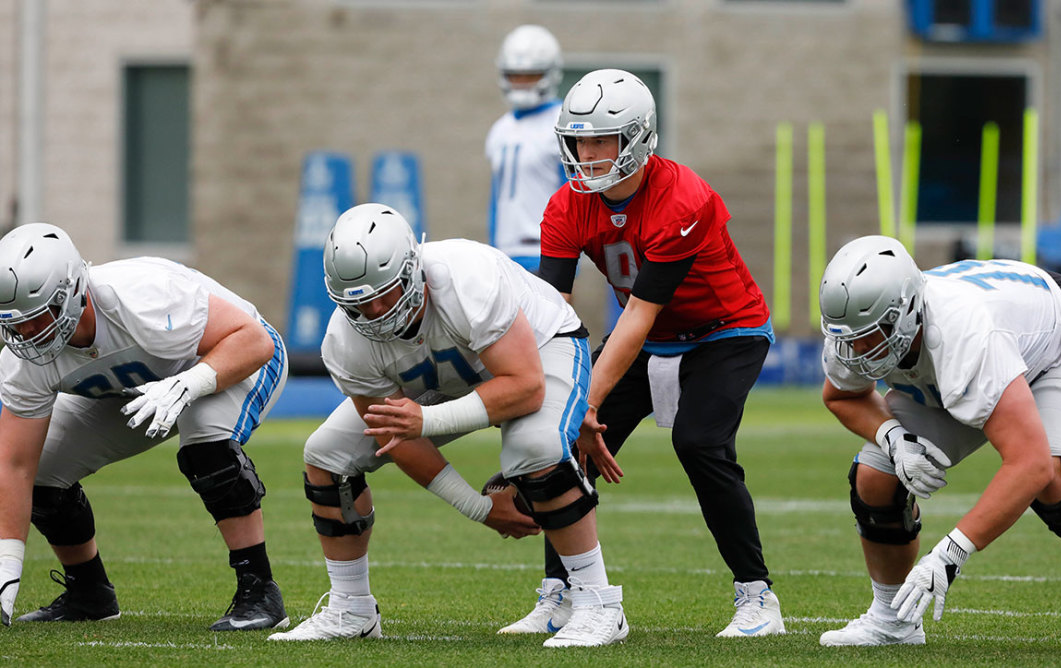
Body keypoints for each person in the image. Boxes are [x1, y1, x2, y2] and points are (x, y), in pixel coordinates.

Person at [268, 203, 627, 648]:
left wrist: (425, 419)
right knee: (326, 457)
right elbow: (392, 437)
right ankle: (351, 608)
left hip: (540, 348)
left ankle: (599, 604)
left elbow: (526, 386)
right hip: (442, 378)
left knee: (535, 446)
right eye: (359, 303)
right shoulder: (345, 342)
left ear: (412, 269)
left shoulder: (467, 277)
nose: (377, 311)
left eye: (386, 292)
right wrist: (478, 507)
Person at [816, 235, 1061, 656]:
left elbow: (1028, 464)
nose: (861, 350)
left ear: (908, 310)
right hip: (976, 356)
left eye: (875, 334)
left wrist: (951, 552)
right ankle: (892, 620)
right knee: (875, 476)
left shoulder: (962, 332)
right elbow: (842, 395)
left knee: (1053, 475)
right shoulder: (850, 335)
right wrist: (892, 438)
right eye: (853, 338)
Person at [511, 68, 785, 639]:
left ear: (637, 138)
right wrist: (566, 407)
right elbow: (554, 312)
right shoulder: (564, 208)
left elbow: (638, 313)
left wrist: (586, 399)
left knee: (700, 442)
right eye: (578, 140)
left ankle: (758, 597)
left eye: (599, 140)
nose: (585, 153)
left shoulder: (684, 198)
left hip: (724, 329)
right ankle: (566, 594)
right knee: (560, 442)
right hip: (651, 332)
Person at [0, 223, 289, 631]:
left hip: (231, 357)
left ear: (72, 292)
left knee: (205, 441)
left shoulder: (143, 295)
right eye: (18, 323)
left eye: (40, 316)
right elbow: (14, 466)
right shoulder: (23, 361)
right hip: (134, 388)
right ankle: (89, 593)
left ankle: (260, 592)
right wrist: (5, 570)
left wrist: (188, 384)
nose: (30, 334)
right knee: (43, 469)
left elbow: (253, 340)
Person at [485, 24, 567, 272]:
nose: (521, 83)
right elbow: (497, 197)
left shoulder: (563, 121)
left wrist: (568, 254)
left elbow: (573, 195)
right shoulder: (500, 128)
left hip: (547, 251)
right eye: (515, 76)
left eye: (530, 75)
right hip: (505, 252)